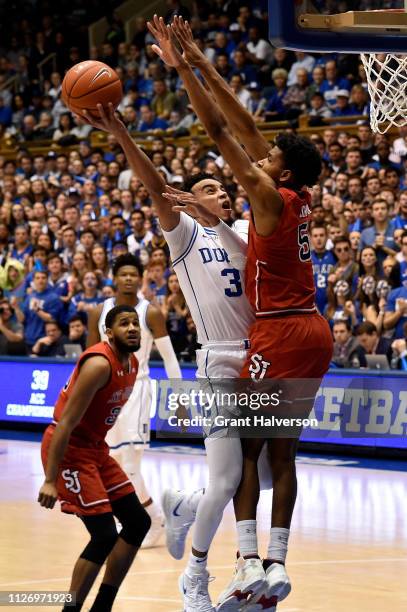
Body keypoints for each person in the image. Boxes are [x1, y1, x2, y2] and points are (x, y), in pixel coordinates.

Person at [81, 63, 269, 612]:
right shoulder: (184, 233)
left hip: (260, 360)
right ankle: (197, 576)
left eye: (224, 188)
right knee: (233, 476)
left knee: (251, 479)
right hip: (216, 362)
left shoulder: (241, 231)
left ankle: (187, 504)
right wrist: (119, 132)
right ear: (191, 198)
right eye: (210, 188)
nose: (222, 194)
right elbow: (151, 182)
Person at [159, 16, 333, 609]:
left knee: (249, 457)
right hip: (314, 332)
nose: (261, 155)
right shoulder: (295, 191)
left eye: (270, 156)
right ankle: (277, 567)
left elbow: (219, 131)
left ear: (278, 172)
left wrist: (182, 72)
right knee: (285, 455)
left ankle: (248, 563)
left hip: (280, 334)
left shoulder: (263, 196)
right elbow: (245, 124)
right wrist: (202, 61)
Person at [38, 305, 151, 612]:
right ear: (109, 332)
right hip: (69, 450)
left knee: (138, 522)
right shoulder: (99, 364)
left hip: (95, 449)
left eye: (135, 323)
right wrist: (50, 479)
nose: (132, 328)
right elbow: (66, 424)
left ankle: (103, 605)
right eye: (124, 324)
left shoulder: (133, 362)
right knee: (103, 535)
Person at [87, 254, 182, 548]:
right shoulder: (97, 312)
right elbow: (90, 358)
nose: (128, 279)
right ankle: (149, 515)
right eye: (123, 274)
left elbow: (170, 358)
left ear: (140, 278)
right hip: (107, 393)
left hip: (137, 390)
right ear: (114, 277)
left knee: (130, 462)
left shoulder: (150, 312)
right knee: (113, 461)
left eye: (133, 274)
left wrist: (179, 398)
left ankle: (150, 520)